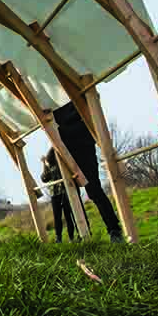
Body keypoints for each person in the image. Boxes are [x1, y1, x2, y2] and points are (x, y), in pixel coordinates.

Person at [52, 102, 124, 243]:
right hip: (64, 141)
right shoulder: (45, 94)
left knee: (93, 189)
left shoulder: (67, 87)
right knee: (70, 194)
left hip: (82, 137)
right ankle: (83, 233)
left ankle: (114, 230)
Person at [40, 149, 80, 243]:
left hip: (64, 192)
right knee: (57, 217)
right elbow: (44, 178)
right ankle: (59, 238)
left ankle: (71, 237)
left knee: (68, 215)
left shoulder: (60, 166)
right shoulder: (49, 167)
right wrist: (44, 164)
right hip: (55, 194)